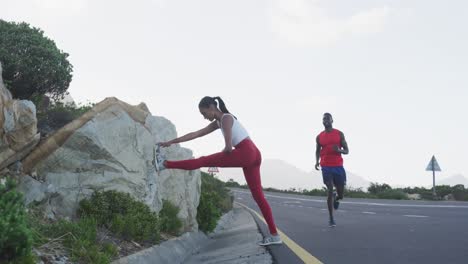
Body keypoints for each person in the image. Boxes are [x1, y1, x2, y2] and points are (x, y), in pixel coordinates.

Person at [156, 96, 282, 246]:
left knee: (202, 160)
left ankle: (164, 164)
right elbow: (195, 134)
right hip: (254, 154)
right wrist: (170, 142)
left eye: (204, 113)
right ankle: (275, 236)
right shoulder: (219, 121)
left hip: (246, 153)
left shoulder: (226, 119)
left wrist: (225, 151)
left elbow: (229, 147)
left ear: (211, 107)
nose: (204, 117)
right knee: (259, 197)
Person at [315, 113, 349, 227]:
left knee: (341, 194)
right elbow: (317, 151)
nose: (325, 120)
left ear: (332, 120)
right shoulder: (319, 136)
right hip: (325, 166)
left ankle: (337, 198)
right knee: (329, 189)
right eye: (324, 118)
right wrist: (316, 161)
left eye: (328, 118)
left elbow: (347, 150)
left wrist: (339, 150)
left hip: (338, 166)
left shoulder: (339, 134)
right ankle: (331, 218)